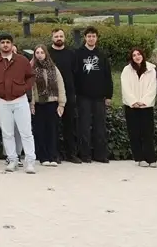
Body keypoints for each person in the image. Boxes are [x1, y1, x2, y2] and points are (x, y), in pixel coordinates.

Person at [0, 33, 36, 173]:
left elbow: (30, 77)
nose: (5, 44)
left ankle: (30, 161)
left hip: (20, 100)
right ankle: (12, 159)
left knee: (26, 132)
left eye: (8, 42)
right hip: (1, 101)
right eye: (3, 42)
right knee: (7, 133)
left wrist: (24, 88)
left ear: (12, 44)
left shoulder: (22, 61)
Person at [73, 26, 112, 164]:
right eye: (89, 36)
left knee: (100, 126)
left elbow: (108, 76)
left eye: (93, 36)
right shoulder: (78, 54)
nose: (91, 38)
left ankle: (100, 155)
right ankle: (85, 154)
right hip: (83, 96)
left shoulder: (102, 54)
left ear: (97, 38)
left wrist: (108, 95)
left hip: (99, 97)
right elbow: (75, 75)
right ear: (85, 38)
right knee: (84, 126)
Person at [120, 48, 157, 168]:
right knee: (134, 133)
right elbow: (125, 87)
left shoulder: (151, 70)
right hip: (132, 107)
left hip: (146, 106)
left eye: (139, 54)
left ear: (143, 55)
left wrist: (144, 102)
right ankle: (139, 158)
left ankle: (151, 158)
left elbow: (152, 88)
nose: (137, 57)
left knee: (147, 132)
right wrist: (134, 101)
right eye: (134, 55)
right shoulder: (127, 70)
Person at [47, 28, 79, 163]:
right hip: (52, 94)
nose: (59, 38)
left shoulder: (71, 53)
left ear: (64, 38)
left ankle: (71, 154)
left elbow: (76, 73)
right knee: (54, 126)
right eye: (56, 36)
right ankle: (55, 154)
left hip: (69, 94)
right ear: (52, 38)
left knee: (69, 126)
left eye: (61, 36)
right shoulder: (47, 53)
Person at [30, 45, 66, 167]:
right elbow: (31, 88)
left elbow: (61, 85)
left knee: (52, 130)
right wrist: (32, 104)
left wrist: (61, 104)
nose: (39, 54)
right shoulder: (32, 68)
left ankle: (53, 156)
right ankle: (43, 156)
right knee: (40, 131)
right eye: (37, 52)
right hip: (39, 104)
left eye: (42, 52)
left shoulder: (53, 68)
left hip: (52, 103)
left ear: (46, 54)